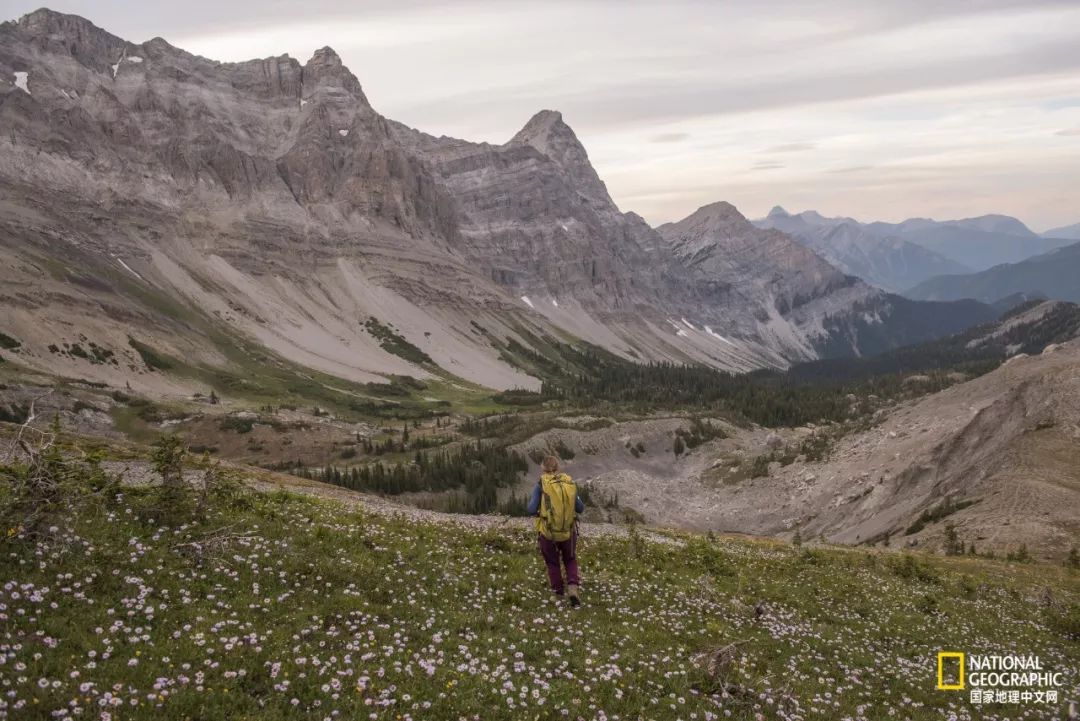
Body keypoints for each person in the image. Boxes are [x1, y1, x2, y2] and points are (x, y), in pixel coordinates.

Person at [527, 455, 585, 607]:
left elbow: (531, 509)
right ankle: (573, 587)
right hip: (568, 530)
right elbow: (580, 508)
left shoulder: (541, 484)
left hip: (548, 532)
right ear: (558, 466)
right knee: (570, 559)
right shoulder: (569, 481)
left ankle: (558, 594)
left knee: (552, 562)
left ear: (543, 468)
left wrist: (541, 512)